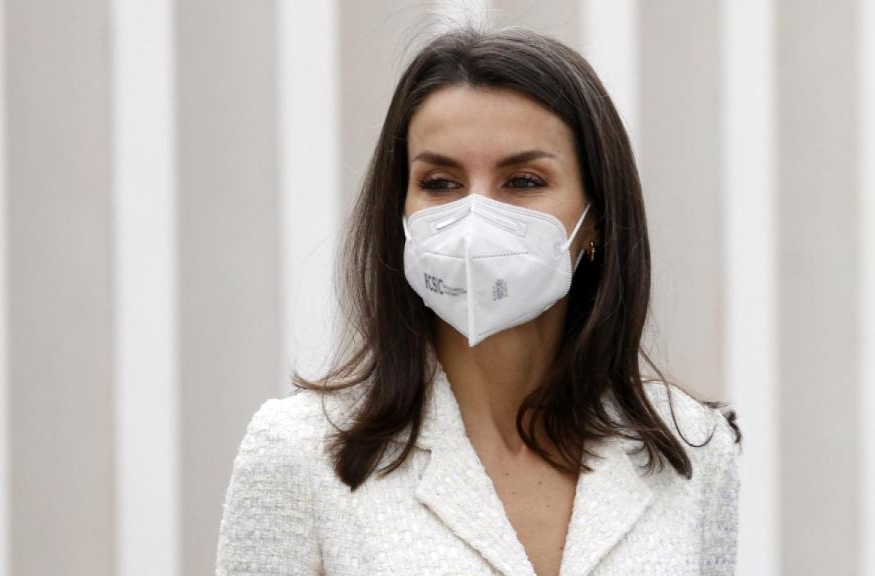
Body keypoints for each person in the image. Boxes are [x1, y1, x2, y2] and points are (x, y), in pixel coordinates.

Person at [216, 25, 741, 576]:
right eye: (441, 183)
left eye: (523, 180)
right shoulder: (302, 451)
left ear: (596, 220)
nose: (474, 220)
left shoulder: (692, 450)